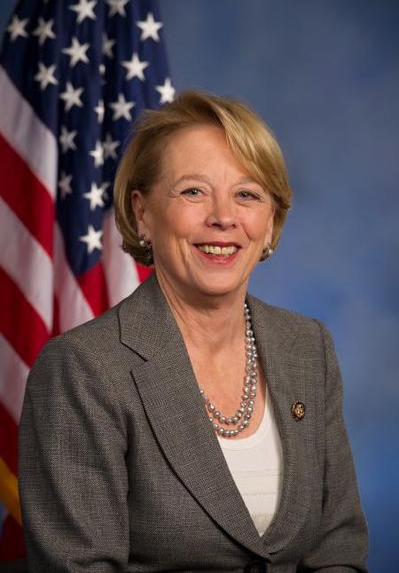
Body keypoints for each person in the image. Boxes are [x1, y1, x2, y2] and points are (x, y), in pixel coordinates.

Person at [19, 90, 368, 572]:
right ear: (143, 213)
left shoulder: (308, 348)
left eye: (247, 194)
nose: (223, 217)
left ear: (270, 223)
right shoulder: (83, 370)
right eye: (193, 191)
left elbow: (338, 551)